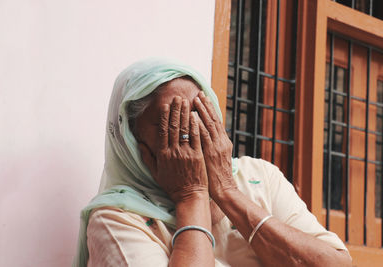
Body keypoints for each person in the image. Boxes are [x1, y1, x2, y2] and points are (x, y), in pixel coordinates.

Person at [73, 58, 352, 267]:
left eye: (198, 116)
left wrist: (228, 192)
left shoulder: (259, 177)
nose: (192, 134)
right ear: (135, 147)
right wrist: (191, 197)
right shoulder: (116, 219)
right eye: (172, 126)